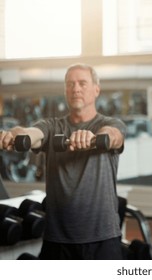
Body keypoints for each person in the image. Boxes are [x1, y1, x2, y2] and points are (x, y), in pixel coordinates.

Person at [0, 63, 127, 259]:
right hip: (57, 239)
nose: (75, 89)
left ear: (96, 90)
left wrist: (93, 138)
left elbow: (113, 136)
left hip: (102, 237)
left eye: (82, 83)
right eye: (70, 84)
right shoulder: (52, 127)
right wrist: (16, 134)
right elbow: (31, 133)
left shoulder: (108, 124)